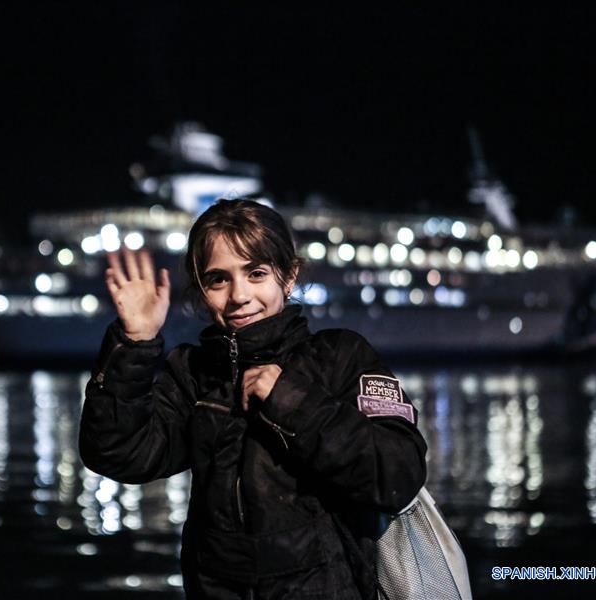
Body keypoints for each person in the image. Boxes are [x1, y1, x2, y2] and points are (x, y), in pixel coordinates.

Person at [79, 199, 427, 599]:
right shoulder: (195, 374)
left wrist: (290, 400)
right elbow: (117, 453)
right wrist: (135, 345)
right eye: (217, 280)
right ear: (201, 290)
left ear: (289, 277)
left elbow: (399, 474)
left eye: (256, 273)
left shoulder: (341, 358)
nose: (239, 295)